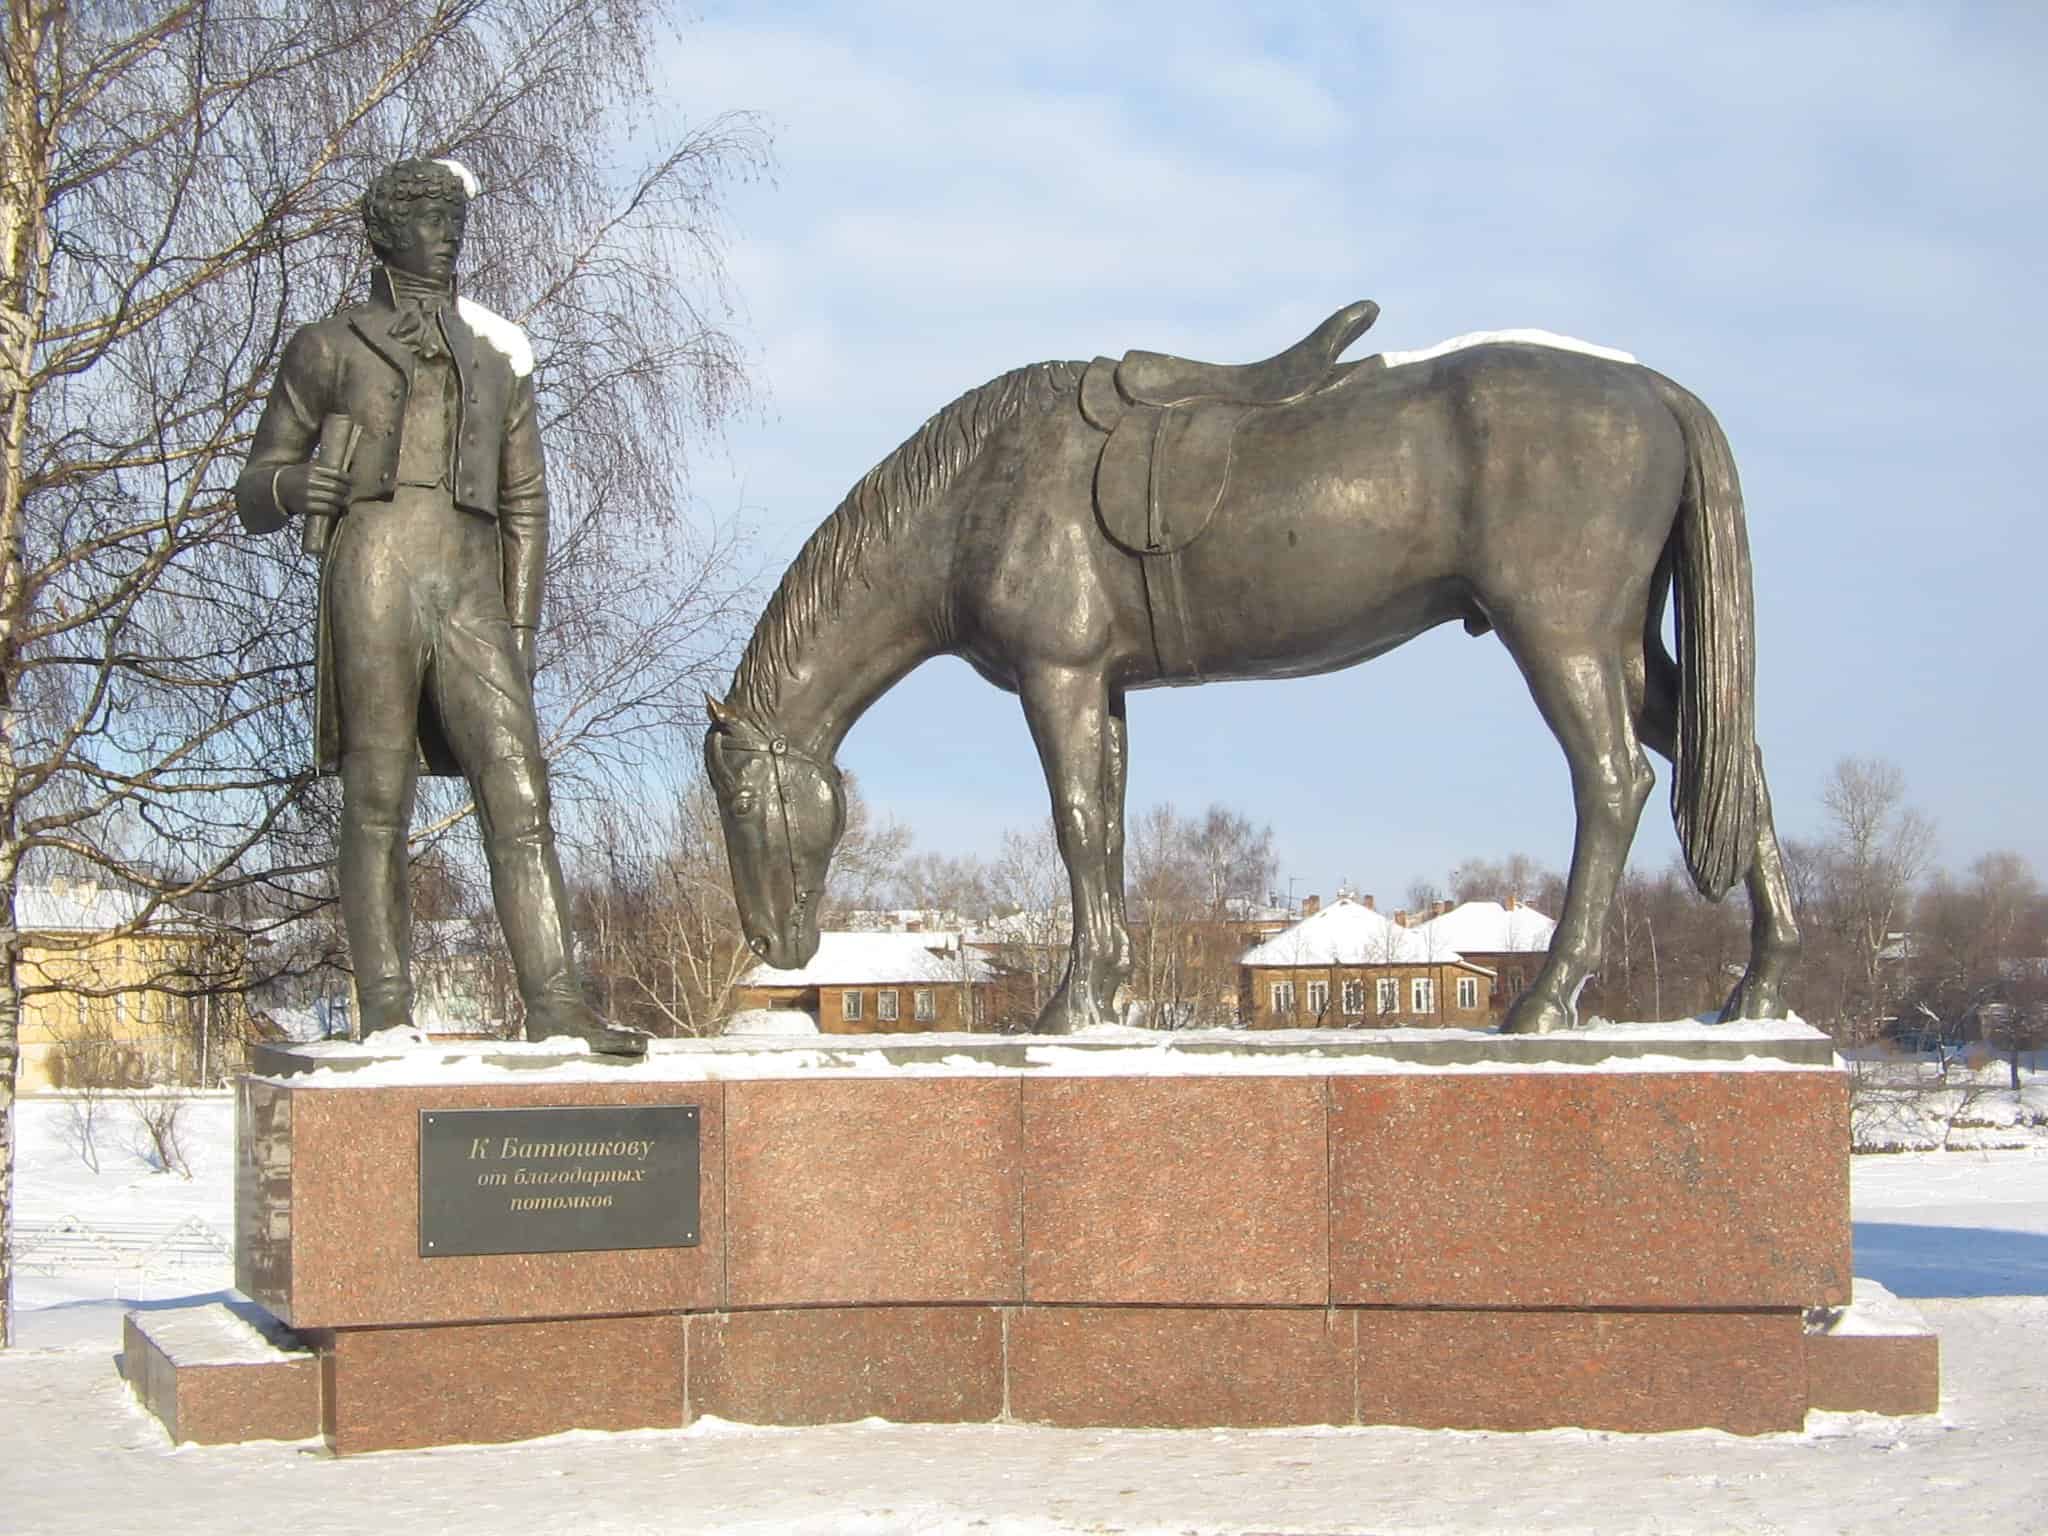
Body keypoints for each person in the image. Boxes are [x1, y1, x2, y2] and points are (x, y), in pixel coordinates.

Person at [236, 156, 642, 1054]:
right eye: (424, 215)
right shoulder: (327, 346)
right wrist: (302, 483)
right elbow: (253, 489)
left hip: (470, 584)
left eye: (453, 215)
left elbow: (527, 503)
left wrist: (522, 626)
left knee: (521, 787)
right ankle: (386, 1011)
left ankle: (557, 1004)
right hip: (373, 567)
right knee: (378, 796)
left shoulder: (498, 359)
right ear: (384, 231)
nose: (445, 231)